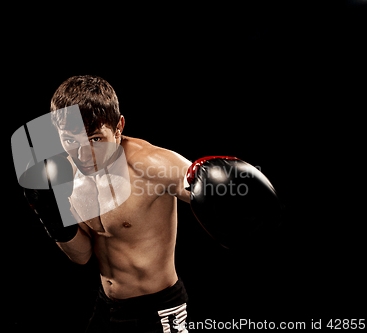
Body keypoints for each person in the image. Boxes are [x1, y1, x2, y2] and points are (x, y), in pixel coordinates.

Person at [20, 75, 282, 332]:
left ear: (118, 127)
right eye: (70, 141)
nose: (83, 154)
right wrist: (51, 216)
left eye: (96, 139)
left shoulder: (149, 164)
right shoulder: (66, 172)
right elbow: (82, 255)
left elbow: (190, 182)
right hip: (107, 307)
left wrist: (225, 190)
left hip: (158, 310)